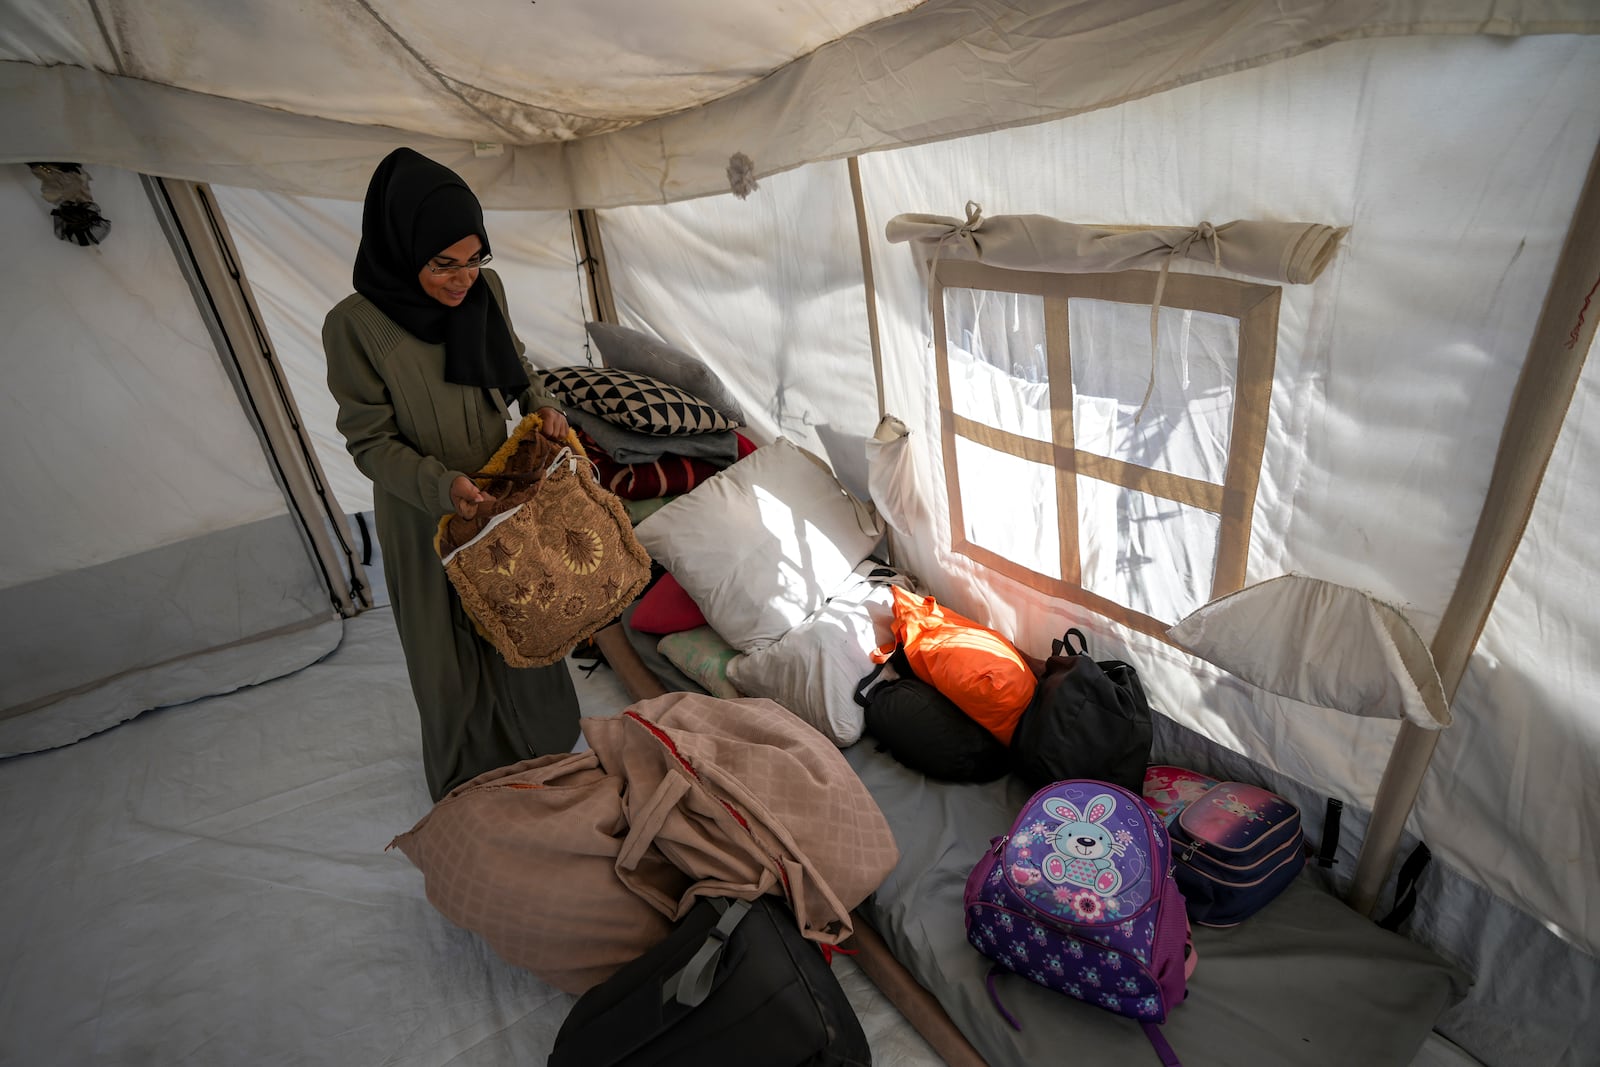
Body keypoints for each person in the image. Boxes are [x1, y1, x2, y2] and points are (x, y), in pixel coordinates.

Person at [324, 147, 580, 801]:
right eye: (444, 264)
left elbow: (518, 367)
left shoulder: (485, 293)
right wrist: (444, 488)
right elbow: (370, 441)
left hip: (499, 495)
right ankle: (472, 779)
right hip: (422, 514)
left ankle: (546, 747)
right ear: (402, 248)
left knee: (520, 619)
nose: (462, 278)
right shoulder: (354, 326)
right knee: (448, 654)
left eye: (473, 260)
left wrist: (544, 408)